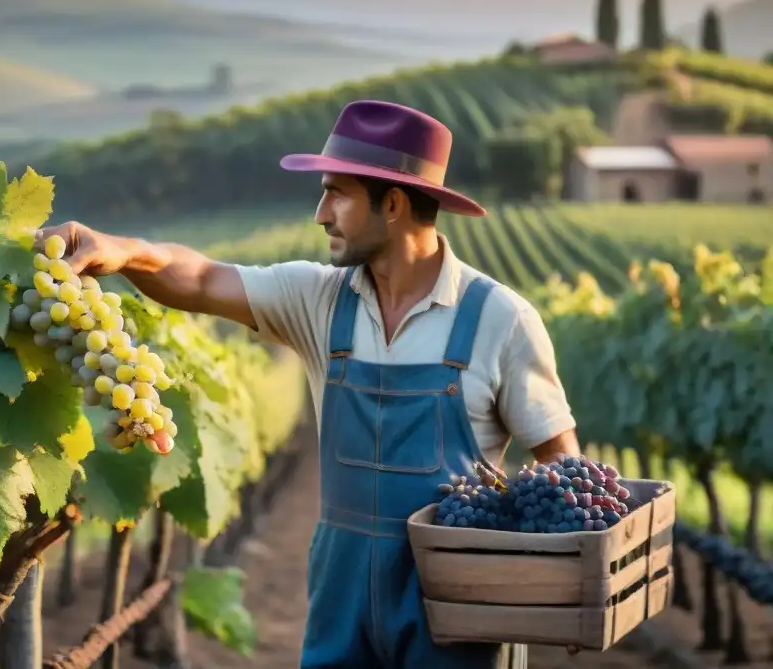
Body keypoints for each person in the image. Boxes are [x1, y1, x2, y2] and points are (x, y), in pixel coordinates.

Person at [37, 100, 579, 669]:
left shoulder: (501, 319)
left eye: (336, 193)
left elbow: (562, 470)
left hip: (459, 605)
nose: (321, 214)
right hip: (339, 596)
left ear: (392, 204)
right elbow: (198, 277)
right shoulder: (318, 301)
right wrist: (123, 251)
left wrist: (561, 590)